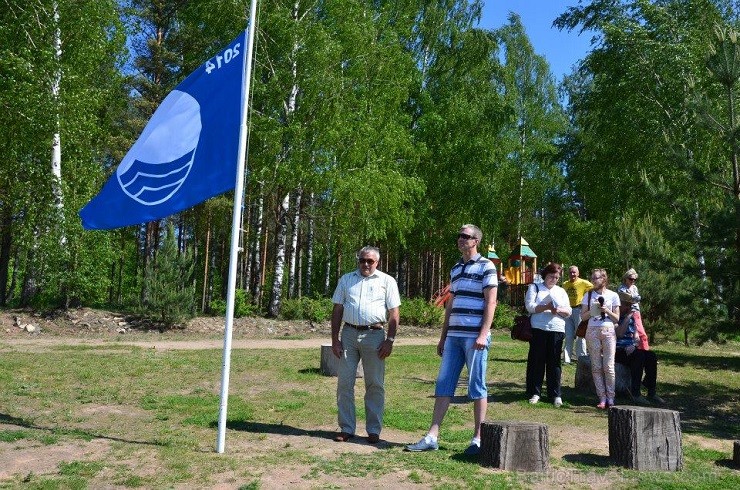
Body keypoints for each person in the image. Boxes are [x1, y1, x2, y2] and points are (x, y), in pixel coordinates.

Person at [406, 224, 498, 455]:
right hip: (454, 337)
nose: (460, 239)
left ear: (475, 240)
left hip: (474, 337)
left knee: (476, 385)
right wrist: (443, 336)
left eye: (465, 236)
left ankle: (478, 438)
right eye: (458, 235)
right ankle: (432, 436)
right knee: (443, 384)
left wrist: (483, 334)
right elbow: (451, 305)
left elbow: (491, 302)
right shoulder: (456, 268)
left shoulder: (487, 266)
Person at [331, 246, 401, 444]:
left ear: (377, 262)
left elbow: (394, 313)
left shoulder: (387, 281)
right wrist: (335, 339)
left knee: (375, 384)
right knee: (344, 383)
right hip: (349, 335)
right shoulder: (346, 279)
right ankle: (346, 428)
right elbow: (337, 309)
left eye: (370, 261)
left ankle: (373, 430)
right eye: (362, 260)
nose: (366, 264)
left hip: (375, 336)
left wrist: (390, 340)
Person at [525, 263, 572, 407]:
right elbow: (530, 306)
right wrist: (546, 307)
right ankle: (535, 392)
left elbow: (569, 311)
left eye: (557, 278)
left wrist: (558, 309)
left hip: (557, 328)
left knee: (554, 362)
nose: (554, 280)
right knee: (537, 360)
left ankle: (555, 394)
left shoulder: (561, 291)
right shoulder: (535, 287)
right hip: (539, 328)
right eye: (551, 276)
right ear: (545, 275)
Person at [580, 268, 620, 409]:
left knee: (609, 366)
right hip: (592, 330)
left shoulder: (613, 295)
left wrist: (606, 310)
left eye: (596, 278)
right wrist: (593, 310)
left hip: (608, 330)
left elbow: (617, 318)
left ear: (603, 279)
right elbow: (582, 316)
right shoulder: (588, 295)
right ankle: (602, 398)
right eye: (592, 278)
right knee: (596, 366)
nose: (593, 281)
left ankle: (611, 397)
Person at [615, 303, 665, 405]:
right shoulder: (615, 317)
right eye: (626, 305)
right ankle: (636, 393)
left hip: (631, 348)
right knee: (639, 357)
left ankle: (651, 390)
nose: (628, 307)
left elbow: (636, 337)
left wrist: (634, 344)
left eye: (629, 305)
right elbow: (619, 333)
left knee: (651, 356)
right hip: (617, 349)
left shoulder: (632, 318)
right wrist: (628, 316)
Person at [561, 266, 593, 364]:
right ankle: (566, 359)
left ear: (578, 273)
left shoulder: (584, 283)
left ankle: (581, 358)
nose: (572, 274)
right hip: (568, 310)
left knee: (580, 335)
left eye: (574, 272)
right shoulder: (565, 284)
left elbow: (596, 288)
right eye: (570, 272)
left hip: (579, 310)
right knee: (569, 335)